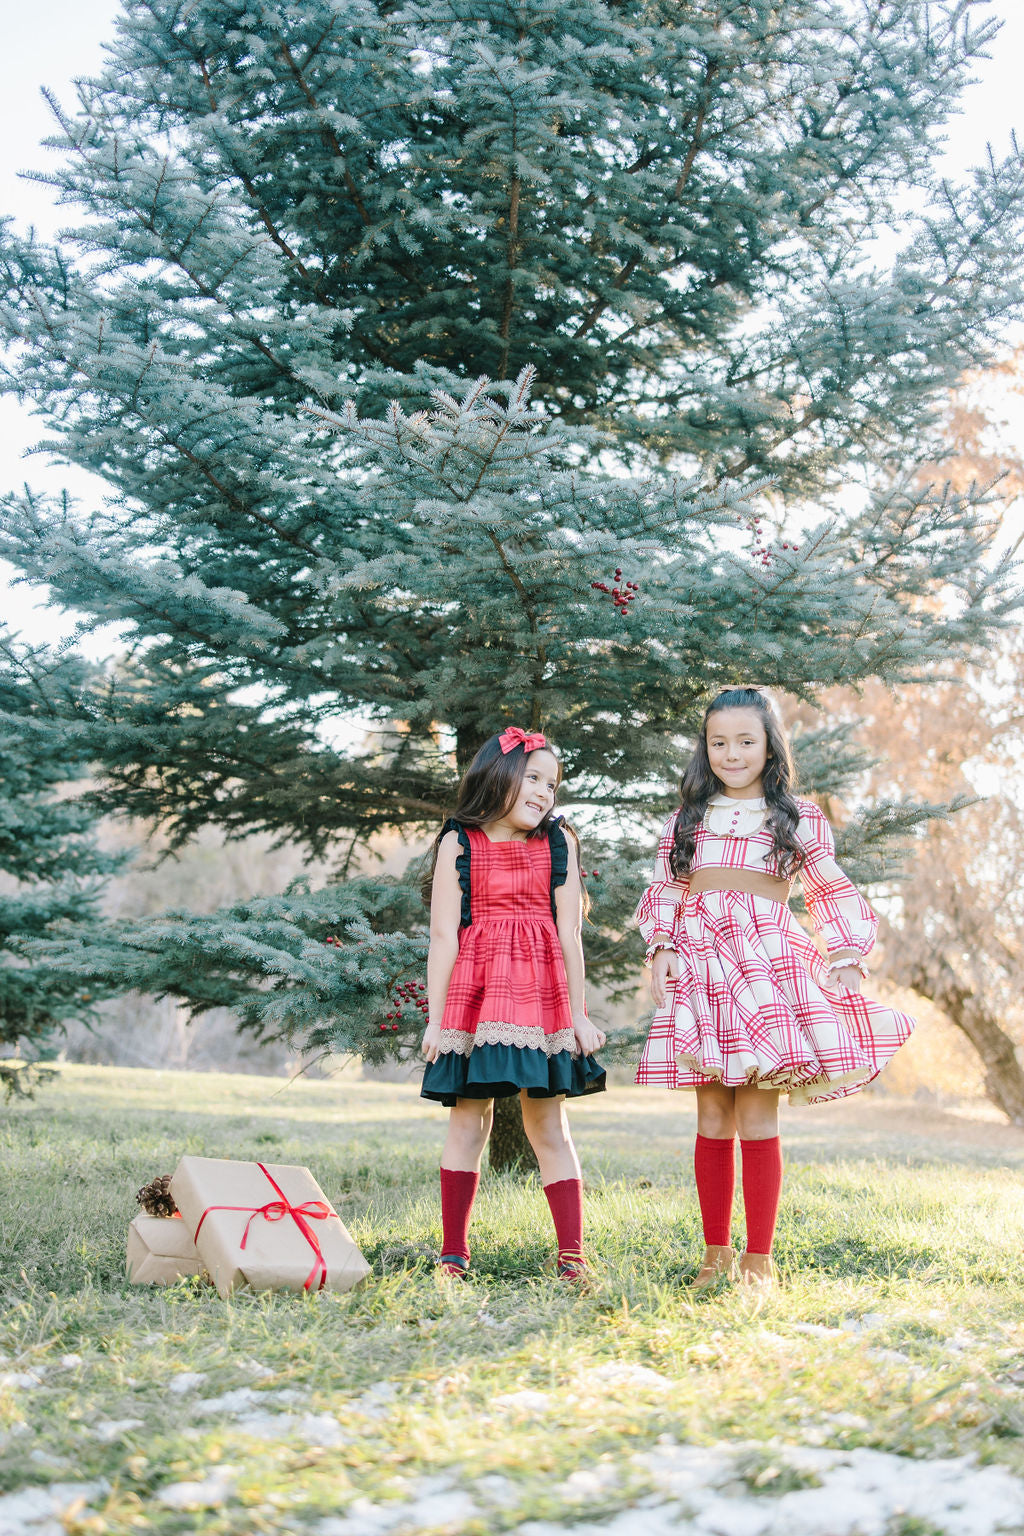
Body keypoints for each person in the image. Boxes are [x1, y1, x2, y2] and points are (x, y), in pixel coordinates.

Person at [634, 687, 914, 1290]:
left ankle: (758, 1258)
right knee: (711, 1110)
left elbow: (830, 886)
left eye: (745, 741)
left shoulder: (797, 815)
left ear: (769, 745)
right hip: (703, 964)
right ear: (703, 748)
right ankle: (714, 1253)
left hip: (764, 966)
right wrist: (661, 948)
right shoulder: (685, 820)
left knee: (757, 1106)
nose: (731, 754)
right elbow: (665, 890)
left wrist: (845, 953)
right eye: (718, 743)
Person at [420, 726, 606, 1282]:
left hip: (541, 998)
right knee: (468, 1123)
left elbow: (570, 933)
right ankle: (453, 1255)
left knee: (548, 1125)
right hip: (475, 998)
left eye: (553, 784)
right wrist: (436, 1020)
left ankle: (571, 1257)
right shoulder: (459, 842)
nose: (546, 792)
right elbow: (443, 938)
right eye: (534, 779)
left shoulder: (558, 841)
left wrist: (578, 1014)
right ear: (499, 776)